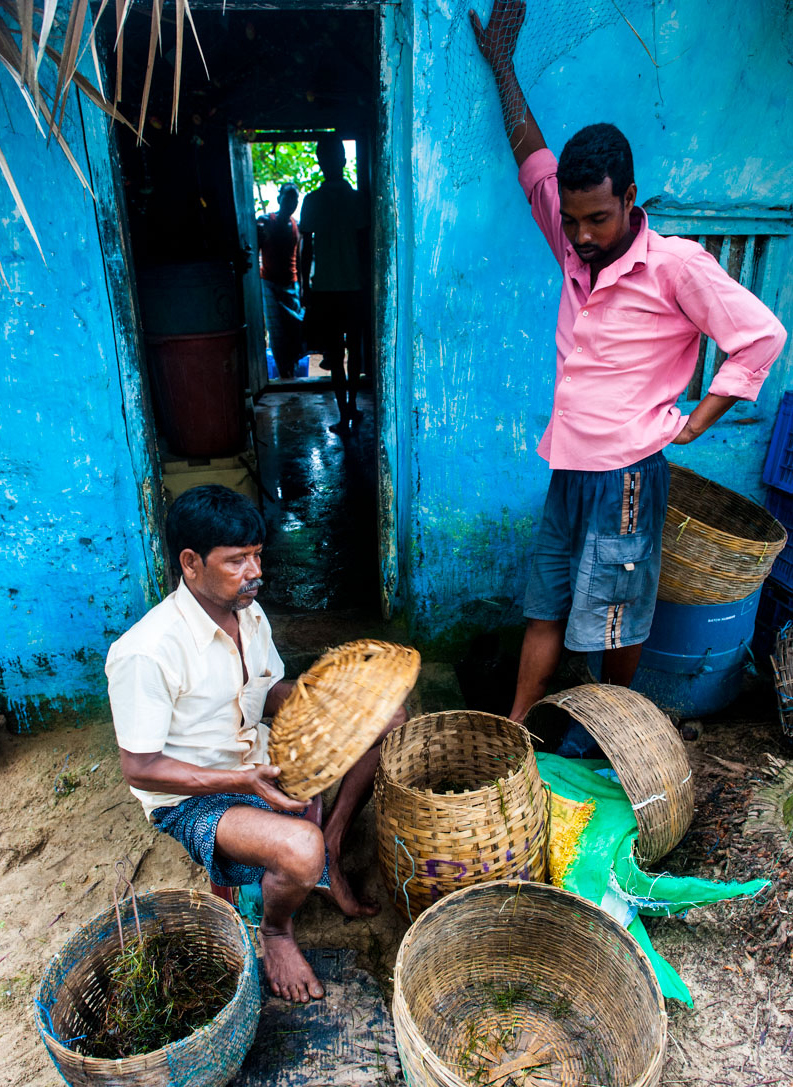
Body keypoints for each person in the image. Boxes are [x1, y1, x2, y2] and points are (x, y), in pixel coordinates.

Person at [472, 0, 787, 725]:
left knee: (614, 619)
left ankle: (608, 722)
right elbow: (531, 152)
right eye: (573, 219)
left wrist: (699, 421)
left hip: (628, 478)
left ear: (630, 200)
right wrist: (503, 65)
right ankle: (517, 729)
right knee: (546, 601)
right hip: (571, 467)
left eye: (597, 219)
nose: (579, 234)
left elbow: (761, 335)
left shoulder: (676, 266)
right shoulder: (570, 234)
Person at [105, 485, 406, 1003]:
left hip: (256, 757)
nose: (254, 572)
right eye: (237, 560)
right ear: (190, 563)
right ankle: (276, 931)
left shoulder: (249, 614)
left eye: (258, 556)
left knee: (391, 717)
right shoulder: (146, 653)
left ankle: (333, 838)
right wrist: (242, 781)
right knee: (298, 849)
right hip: (195, 795)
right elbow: (140, 768)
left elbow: (264, 694)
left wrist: (333, 697)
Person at [300, 134, 369, 435]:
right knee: (354, 351)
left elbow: (305, 248)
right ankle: (352, 406)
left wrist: (304, 285)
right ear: (343, 160)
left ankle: (344, 413)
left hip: (326, 290)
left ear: (320, 161)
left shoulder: (312, 201)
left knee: (335, 357)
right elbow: (365, 246)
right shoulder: (357, 199)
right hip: (354, 288)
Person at [257, 183, 304, 379]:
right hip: (269, 283)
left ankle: (290, 370)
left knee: (294, 330)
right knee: (277, 333)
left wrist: (301, 286)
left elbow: (299, 257)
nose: (291, 203)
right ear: (279, 200)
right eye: (287, 199)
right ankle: (285, 373)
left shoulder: (296, 225)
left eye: (294, 200)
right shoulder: (266, 221)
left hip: (291, 284)